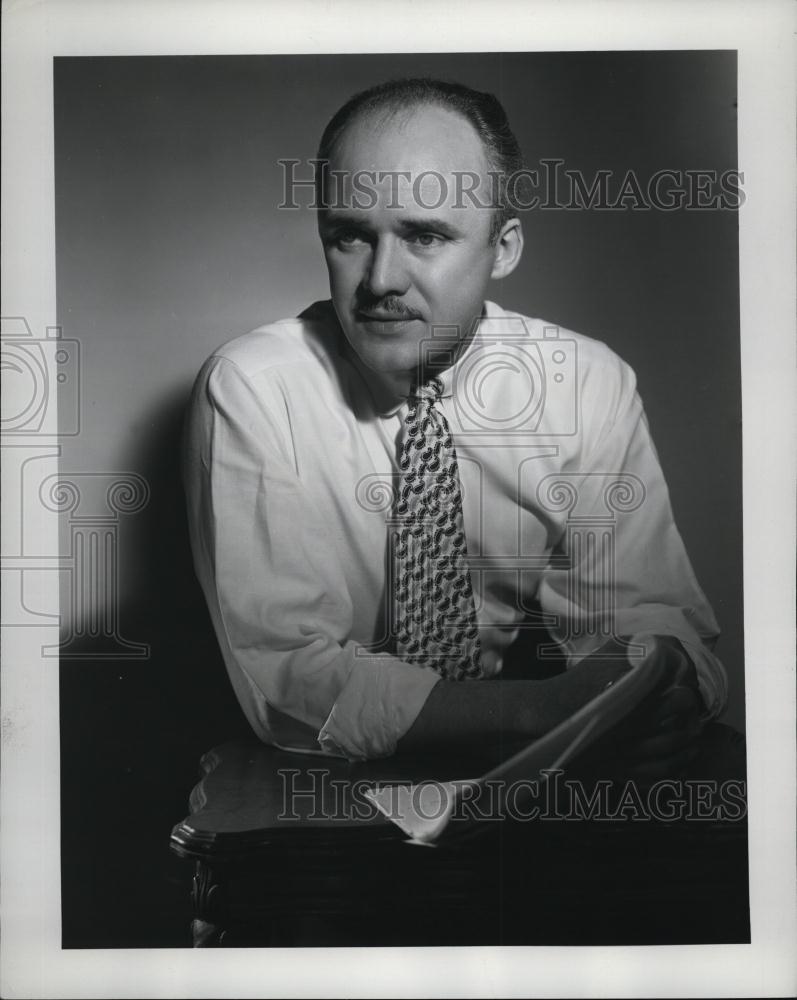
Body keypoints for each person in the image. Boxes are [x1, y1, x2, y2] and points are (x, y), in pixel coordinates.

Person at [182, 78, 732, 777]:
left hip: (532, 789)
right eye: (349, 235)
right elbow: (288, 685)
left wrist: (666, 686)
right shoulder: (254, 388)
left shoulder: (583, 381)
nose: (381, 279)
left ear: (502, 249)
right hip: (314, 791)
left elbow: (650, 625)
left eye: (424, 235)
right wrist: (545, 711)